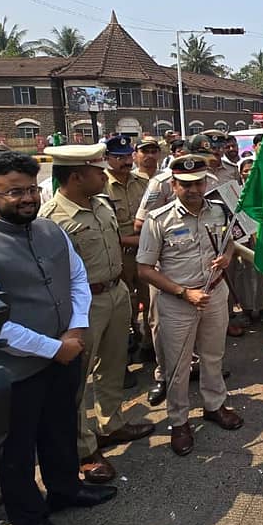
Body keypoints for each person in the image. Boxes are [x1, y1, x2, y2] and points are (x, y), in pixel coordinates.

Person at [0, 151, 116, 525]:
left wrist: (77, 327)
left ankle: (65, 490)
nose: (27, 198)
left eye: (30, 189)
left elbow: (77, 276)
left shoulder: (50, 229)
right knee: (17, 454)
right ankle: (30, 524)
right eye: (14, 192)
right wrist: (54, 348)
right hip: (12, 370)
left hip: (65, 351)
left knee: (60, 430)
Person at [40, 143, 155, 483]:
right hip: (82, 305)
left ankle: (112, 424)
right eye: (96, 170)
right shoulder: (52, 220)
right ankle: (84, 448)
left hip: (115, 292)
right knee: (77, 381)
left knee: (114, 364)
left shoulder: (100, 204)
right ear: (76, 176)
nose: (103, 175)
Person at [137, 155, 243, 456]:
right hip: (178, 301)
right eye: (185, 184)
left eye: (197, 183)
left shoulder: (221, 211)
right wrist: (184, 293)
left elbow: (231, 242)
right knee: (179, 365)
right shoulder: (159, 219)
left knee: (213, 356)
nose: (192, 189)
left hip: (214, 294)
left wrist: (228, 256)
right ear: (173, 185)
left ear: (205, 183)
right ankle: (179, 421)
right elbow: (145, 269)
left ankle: (214, 405)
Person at [103, 135, 153, 359]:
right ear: (107, 159)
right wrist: (125, 241)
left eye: (127, 156)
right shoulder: (99, 186)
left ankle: (148, 344)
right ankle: (126, 345)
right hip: (117, 255)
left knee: (149, 300)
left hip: (144, 252)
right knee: (124, 306)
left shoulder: (143, 183)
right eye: (118, 157)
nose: (125, 161)